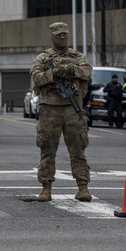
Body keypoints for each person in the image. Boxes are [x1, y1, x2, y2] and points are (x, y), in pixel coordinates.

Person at [30, 22, 93, 202]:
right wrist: (54, 74)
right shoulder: (43, 58)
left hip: (73, 109)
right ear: (52, 36)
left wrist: (72, 69)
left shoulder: (78, 57)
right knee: (47, 150)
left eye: (64, 34)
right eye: (59, 35)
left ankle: (83, 187)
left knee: (78, 149)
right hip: (49, 110)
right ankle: (46, 188)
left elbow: (87, 72)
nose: (62, 37)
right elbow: (36, 77)